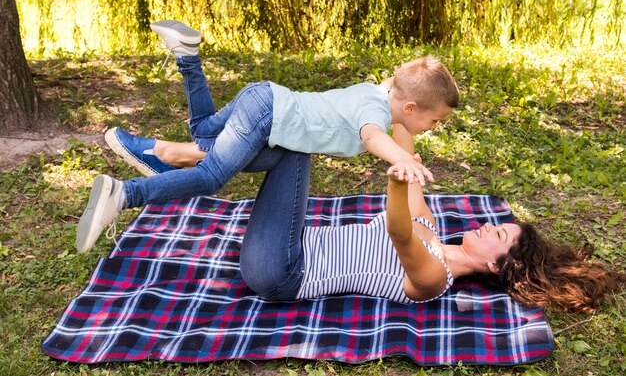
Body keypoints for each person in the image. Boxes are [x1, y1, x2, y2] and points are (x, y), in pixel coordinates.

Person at [96, 119, 622, 314]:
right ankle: (176, 157)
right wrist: (410, 112)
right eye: (497, 222)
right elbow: (405, 142)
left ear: (496, 266)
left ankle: (171, 159)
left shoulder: (435, 277)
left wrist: (397, 179)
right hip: (282, 244)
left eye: (498, 234)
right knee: (288, 137)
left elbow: (397, 231)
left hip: (278, 272)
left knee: (295, 146)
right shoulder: (433, 228)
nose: (487, 224)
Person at [76, 20, 458, 253]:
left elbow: (401, 99)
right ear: (409, 108)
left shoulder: (381, 92)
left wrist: (409, 143)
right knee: (211, 176)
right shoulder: (374, 113)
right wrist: (400, 159)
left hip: (263, 97)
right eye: (435, 121)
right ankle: (124, 193)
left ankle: (187, 54)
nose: (433, 128)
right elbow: (375, 136)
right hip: (267, 116)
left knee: (204, 129)